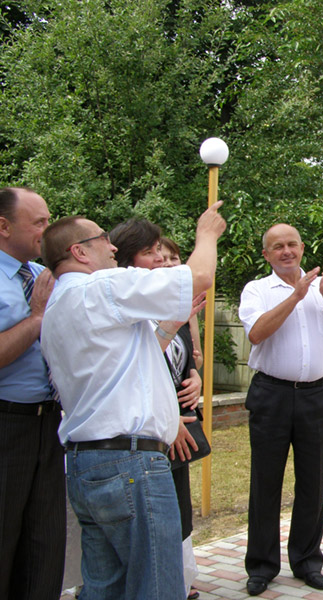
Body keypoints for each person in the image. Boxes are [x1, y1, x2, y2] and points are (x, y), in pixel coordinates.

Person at [39, 202, 225, 600]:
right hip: (131, 465)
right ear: (79, 251)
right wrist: (207, 233)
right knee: (156, 586)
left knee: (105, 588)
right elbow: (200, 276)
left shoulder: (58, 305)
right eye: (103, 239)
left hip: (87, 462)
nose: (111, 247)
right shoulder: (102, 287)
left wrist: (169, 327)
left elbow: (122, 366)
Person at [239, 223, 323, 596]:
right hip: (271, 395)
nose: (286, 251)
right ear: (267, 255)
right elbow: (257, 333)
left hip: (315, 397)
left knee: (312, 483)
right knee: (265, 483)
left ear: (302, 247)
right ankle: (261, 566)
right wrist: (296, 295)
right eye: (277, 247)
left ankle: (307, 561)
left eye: (292, 244)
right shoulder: (257, 290)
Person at [109, 220, 203, 600]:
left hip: (176, 425)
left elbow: (179, 357)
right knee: (149, 526)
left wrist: (194, 376)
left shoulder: (169, 306)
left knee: (178, 512)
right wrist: (167, 418)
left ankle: (179, 581)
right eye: (155, 256)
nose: (165, 264)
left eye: (170, 258)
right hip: (148, 433)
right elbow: (138, 366)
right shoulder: (128, 306)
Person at [0, 186, 65, 600]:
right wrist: (39, 317)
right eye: (39, 222)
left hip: (50, 424)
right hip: (7, 426)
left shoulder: (44, 276)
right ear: (3, 226)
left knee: (45, 543)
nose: (47, 230)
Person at [162, 236, 203, 369]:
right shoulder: (143, 304)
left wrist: (193, 364)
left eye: (173, 258)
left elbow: (198, 361)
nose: (169, 264)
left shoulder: (186, 303)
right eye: (163, 259)